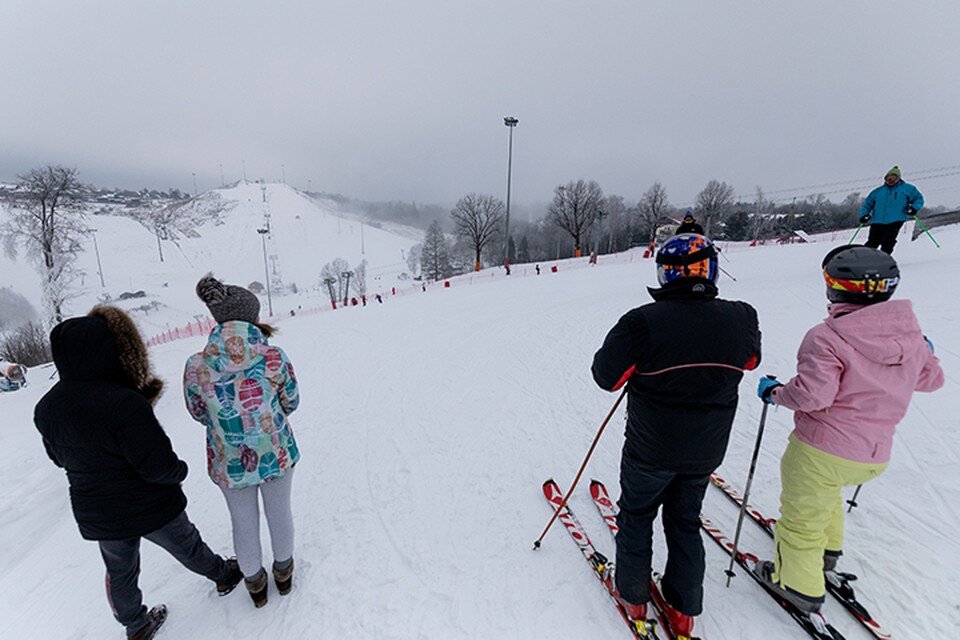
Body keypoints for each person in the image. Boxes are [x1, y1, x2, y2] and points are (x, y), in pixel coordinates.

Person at [34, 306, 242, 640]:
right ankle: (224, 575)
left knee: (120, 572)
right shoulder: (123, 401)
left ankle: (136, 625)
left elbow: (58, 459)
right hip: (149, 505)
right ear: (105, 349)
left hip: (99, 512)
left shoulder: (46, 408)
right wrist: (180, 471)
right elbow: (158, 466)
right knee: (187, 545)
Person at [755, 245, 943, 615]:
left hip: (821, 450)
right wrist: (922, 352)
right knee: (828, 497)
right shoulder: (910, 335)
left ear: (835, 288)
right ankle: (827, 554)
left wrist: (776, 393)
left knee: (801, 516)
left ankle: (797, 584)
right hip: (873, 454)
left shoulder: (826, 338)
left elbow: (812, 395)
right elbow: (931, 379)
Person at [591, 234, 761, 637]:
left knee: (636, 515)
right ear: (710, 270)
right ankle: (684, 607)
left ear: (666, 275)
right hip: (705, 450)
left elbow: (605, 377)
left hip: (651, 450)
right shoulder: (742, 317)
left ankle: (632, 595)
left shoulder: (642, 322)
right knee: (684, 519)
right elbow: (750, 361)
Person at [184, 275, 301, 608]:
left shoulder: (196, 365)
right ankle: (284, 574)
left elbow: (197, 411)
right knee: (280, 512)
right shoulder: (274, 357)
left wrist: (226, 421)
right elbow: (291, 401)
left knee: (243, 521)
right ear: (252, 317)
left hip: (229, 460)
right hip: (276, 453)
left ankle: (255, 586)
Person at [858, 166, 924, 254]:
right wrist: (864, 215)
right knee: (872, 242)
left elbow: (918, 199)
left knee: (888, 241)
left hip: (896, 219)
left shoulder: (908, 189)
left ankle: (884, 258)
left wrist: (914, 208)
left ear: (898, 178)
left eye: (893, 178)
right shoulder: (878, 191)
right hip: (878, 220)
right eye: (888, 178)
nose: (890, 180)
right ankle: (865, 258)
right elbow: (867, 204)